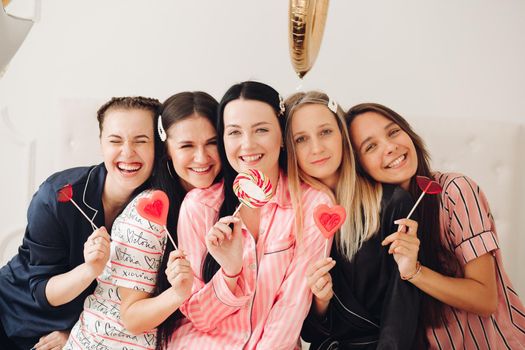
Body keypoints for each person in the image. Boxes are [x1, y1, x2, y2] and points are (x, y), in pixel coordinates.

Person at [346, 102, 525, 349]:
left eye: (393, 132)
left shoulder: (455, 192)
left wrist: (414, 271)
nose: (390, 147)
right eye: (371, 146)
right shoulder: (371, 221)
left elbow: (486, 299)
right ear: (358, 166)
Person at [168, 81, 332, 349]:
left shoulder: (313, 205)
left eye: (262, 130)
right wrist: (230, 273)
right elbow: (199, 317)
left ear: (282, 136)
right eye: (234, 132)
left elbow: (291, 307)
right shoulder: (199, 206)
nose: (247, 144)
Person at [64, 91, 222, 350]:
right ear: (167, 149)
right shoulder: (148, 213)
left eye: (212, 142)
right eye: (187, 145)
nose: (202, 157)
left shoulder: (210, 204)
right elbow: (132, 318)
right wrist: (178, 293)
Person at [0, 96, 161, 350]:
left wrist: (75, 334)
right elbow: (42, 291)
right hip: (15, 310)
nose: (128, 152)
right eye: (115, 141)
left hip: (80, 330)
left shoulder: (158, 208)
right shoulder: (56, 197)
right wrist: (90, 269)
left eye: (141, 141)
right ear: (101, 144)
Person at [284, 92, 420, 349]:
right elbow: (309, 332)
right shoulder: (289, 220)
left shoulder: (392, 203)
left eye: (325, 132)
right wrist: (321, 304)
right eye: (301, 139)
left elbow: (402, 307)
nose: (317, 148)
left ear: (342, 135)